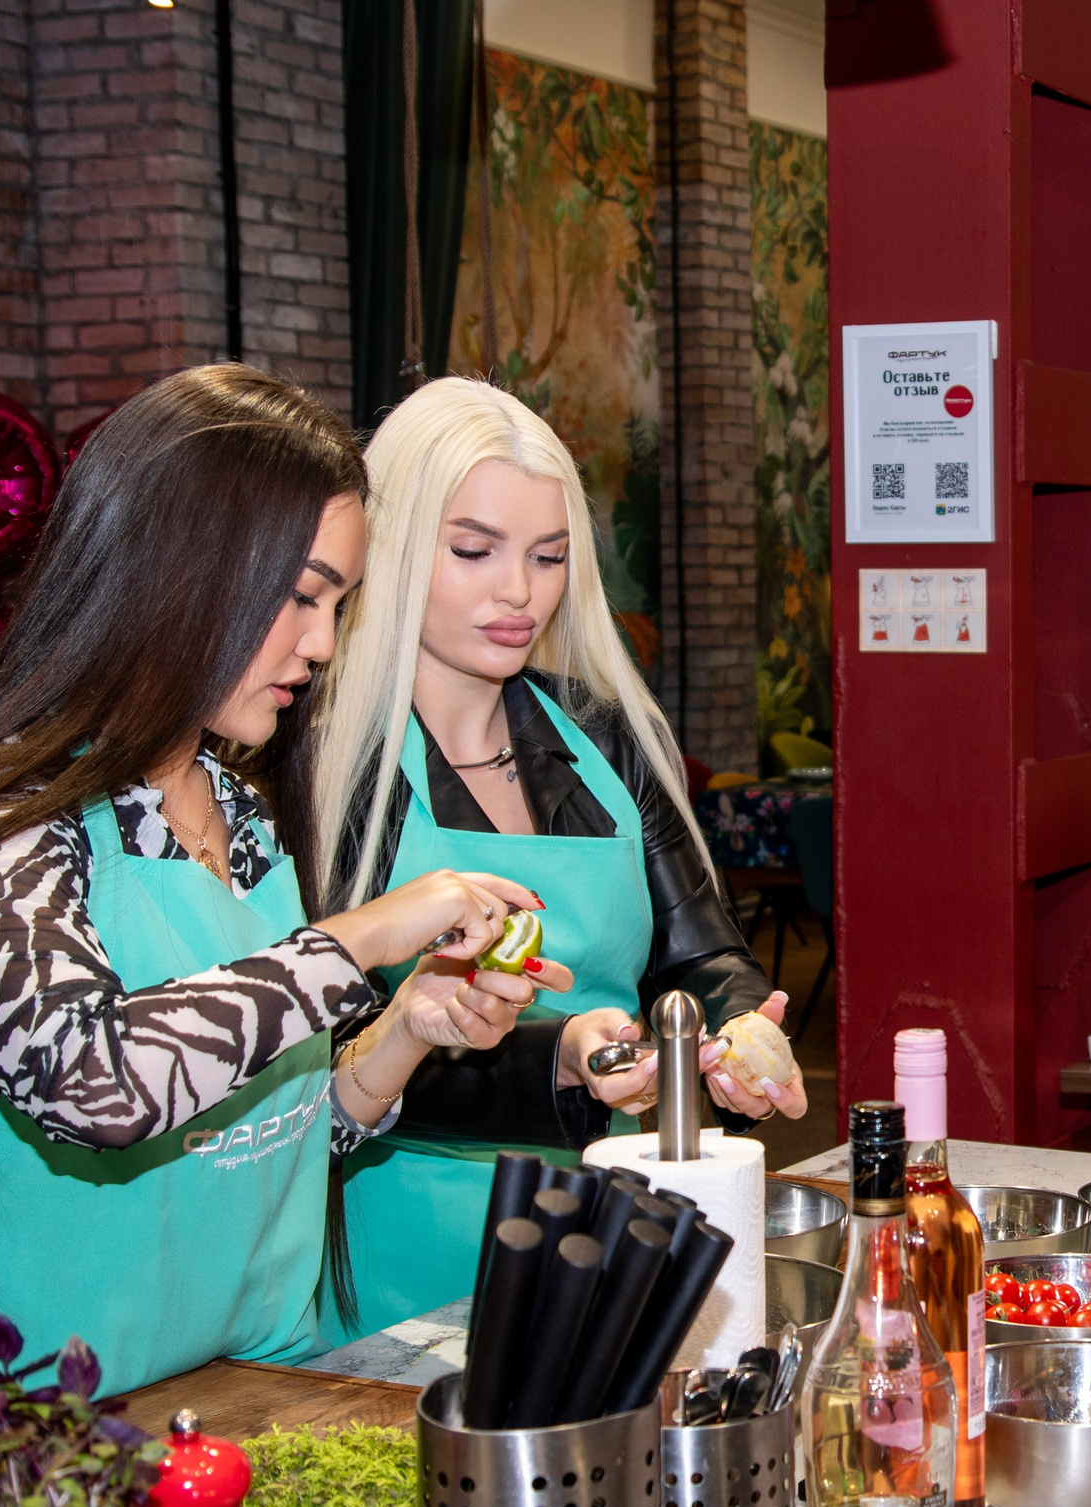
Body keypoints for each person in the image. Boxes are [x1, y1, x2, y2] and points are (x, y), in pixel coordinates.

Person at [0, 367, 567, 1396]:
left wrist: (409, 1028)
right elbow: (90, 1081)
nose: (321, 644)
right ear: (179, 570)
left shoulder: (236, 810)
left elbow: (257, 1136)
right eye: (300, 597)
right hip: (40, 1427)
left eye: (337, 604)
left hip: (254, 1384)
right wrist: (361, 939)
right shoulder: (0, 820)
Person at [313, 377, 805, 1331]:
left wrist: (736, 1037)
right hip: (404, 1260)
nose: (519, 593)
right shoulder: (328, 770)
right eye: (474, 551)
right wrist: (563, 1059)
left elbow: (700, 954)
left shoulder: (602, 739)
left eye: (548, 558)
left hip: (612, 1231)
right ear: (396, 545)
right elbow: (329, 1063)